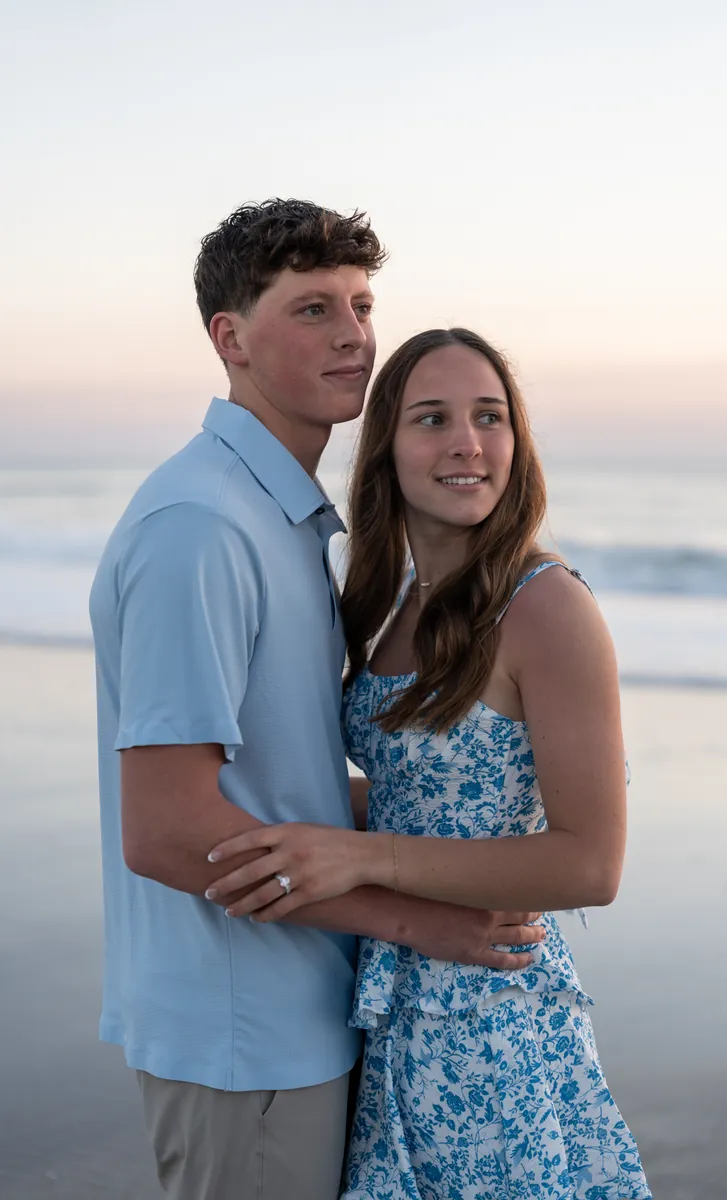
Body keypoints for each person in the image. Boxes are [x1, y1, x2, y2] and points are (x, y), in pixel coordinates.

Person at [89, 206, 546, 1200]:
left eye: (360, 303)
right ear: (231, 338)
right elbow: (167, 830)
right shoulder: (199, 528)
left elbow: (275, 781)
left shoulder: (278, 518)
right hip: (239, 1029)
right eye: (311, 308)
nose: (352, 334)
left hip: (297, 1004)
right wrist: (422, 921)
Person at [207, 328, 652, 1198]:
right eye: (433, 419)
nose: (467, 443)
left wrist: (359, 855)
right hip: (394, 998)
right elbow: (433, 787)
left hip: (493, 1017)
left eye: (490, 417)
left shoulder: (545, 607)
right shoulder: (392, 603)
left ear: (517, 445)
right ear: (387, 452)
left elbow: (591, 862)